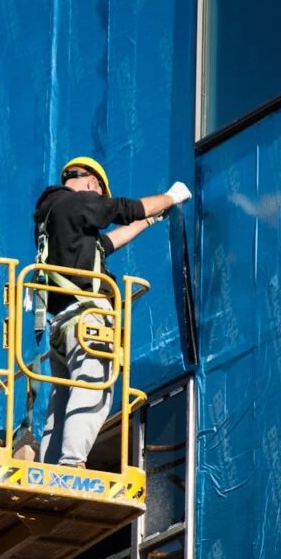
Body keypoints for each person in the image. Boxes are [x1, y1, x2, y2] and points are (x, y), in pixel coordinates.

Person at [34, 156, 191, 469]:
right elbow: (123, 209)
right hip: (87, 319)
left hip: (62, 326)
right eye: (98, 195)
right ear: (92, 183)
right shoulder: (76, 203)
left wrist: (149, 220)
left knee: (62, 400)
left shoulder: (54, 218)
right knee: (94, 387)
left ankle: (50, 471)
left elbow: (107, 242)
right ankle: (71, 464)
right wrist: (171, 197)